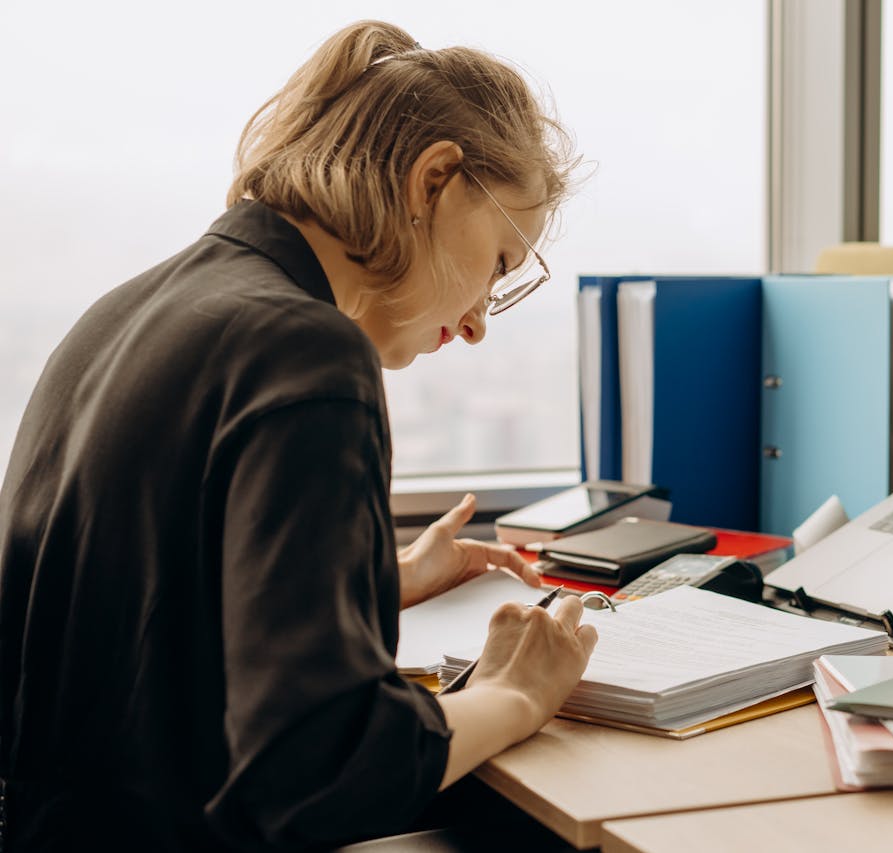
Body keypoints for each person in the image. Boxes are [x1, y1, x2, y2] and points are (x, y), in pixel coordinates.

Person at [0, 19, 597, 852]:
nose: (476, 325)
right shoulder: (307, 352)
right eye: (498, 264)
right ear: (435, 181)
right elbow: (319, 775)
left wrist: (364, 586)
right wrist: (515, 692)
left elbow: (128, 611)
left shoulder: (129, 312)